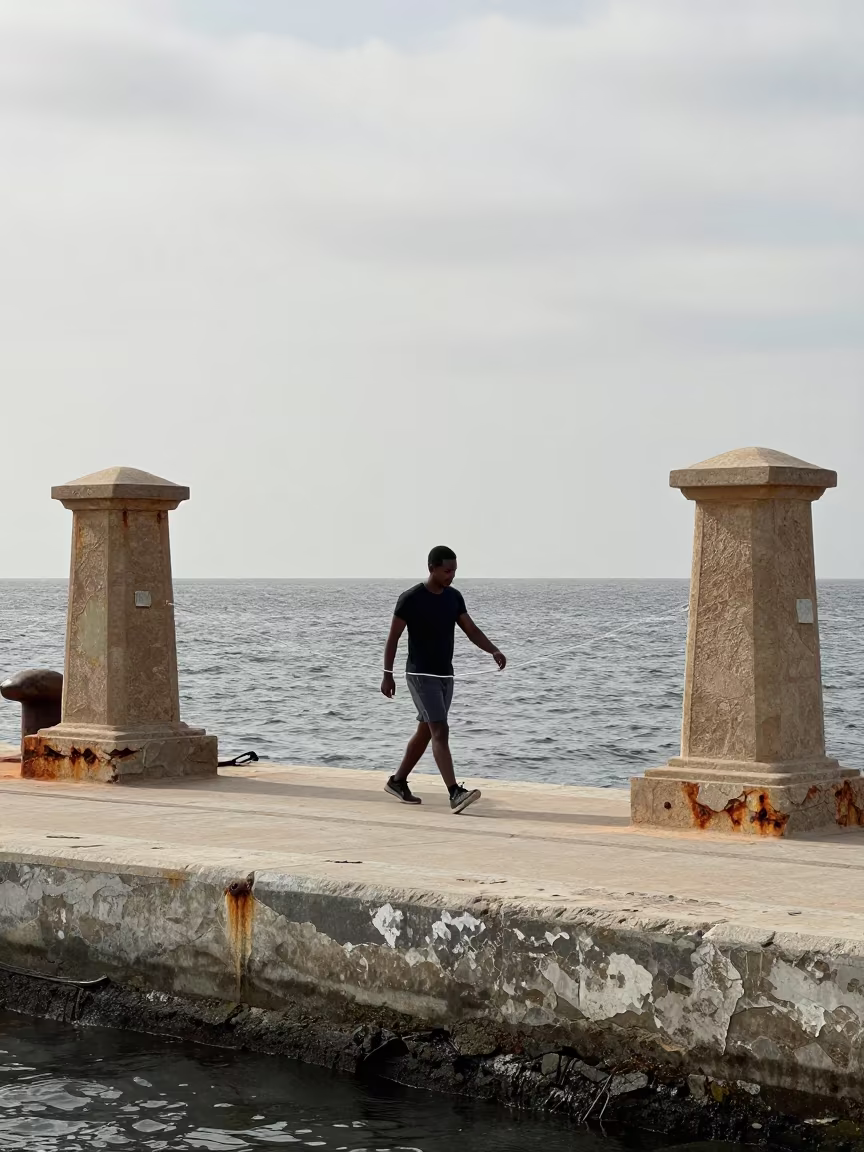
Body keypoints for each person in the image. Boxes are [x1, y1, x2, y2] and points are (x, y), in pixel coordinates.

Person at [380, 545, 506, 813]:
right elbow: (393, 638)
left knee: (426, 730)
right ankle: (454, 792)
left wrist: (493, 649)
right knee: (440, 729)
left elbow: (471, 629)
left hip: (445, 675)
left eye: (454, 571)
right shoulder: (410, 598)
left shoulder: (454, 598)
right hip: (420, 674)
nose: (451, 576)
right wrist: (387, 675)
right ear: (431, 568)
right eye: (447, 570)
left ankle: (397, 781)